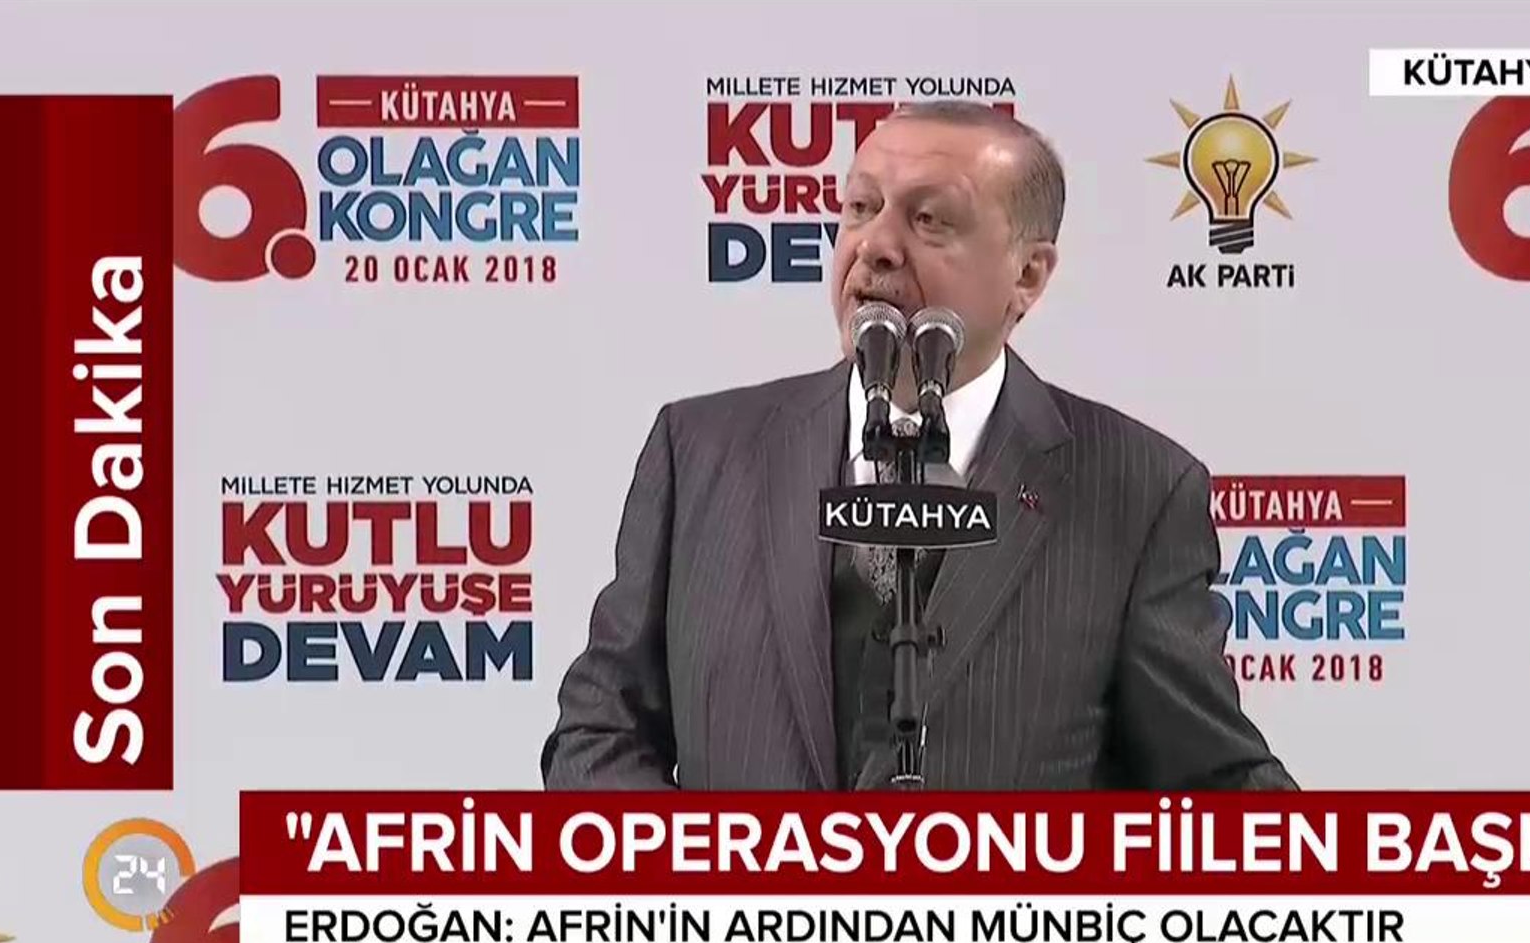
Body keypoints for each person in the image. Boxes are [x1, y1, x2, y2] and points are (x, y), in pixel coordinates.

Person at [542, 101, 1296, 792]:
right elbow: (598, 738)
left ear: (1028, 274)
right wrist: (711, 879)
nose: (875, 246)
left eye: (929, 220)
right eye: (860, 208)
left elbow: (1216, 782)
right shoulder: (700, 452)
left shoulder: (1136, 487)